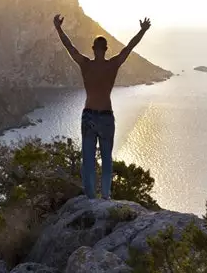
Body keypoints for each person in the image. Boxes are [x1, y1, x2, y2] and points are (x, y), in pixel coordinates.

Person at [52, 14, 151, 199]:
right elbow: (129, 48)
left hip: (89, 116)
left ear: (93, 49)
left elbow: (70, 47)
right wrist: (142, 30)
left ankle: (90, 197)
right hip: (106, 116)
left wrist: (59, 29)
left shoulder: (85, 64)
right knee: (107, 160)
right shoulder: (112, 65)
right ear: (106, 49)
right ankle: (105, 196)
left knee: (88, 160)